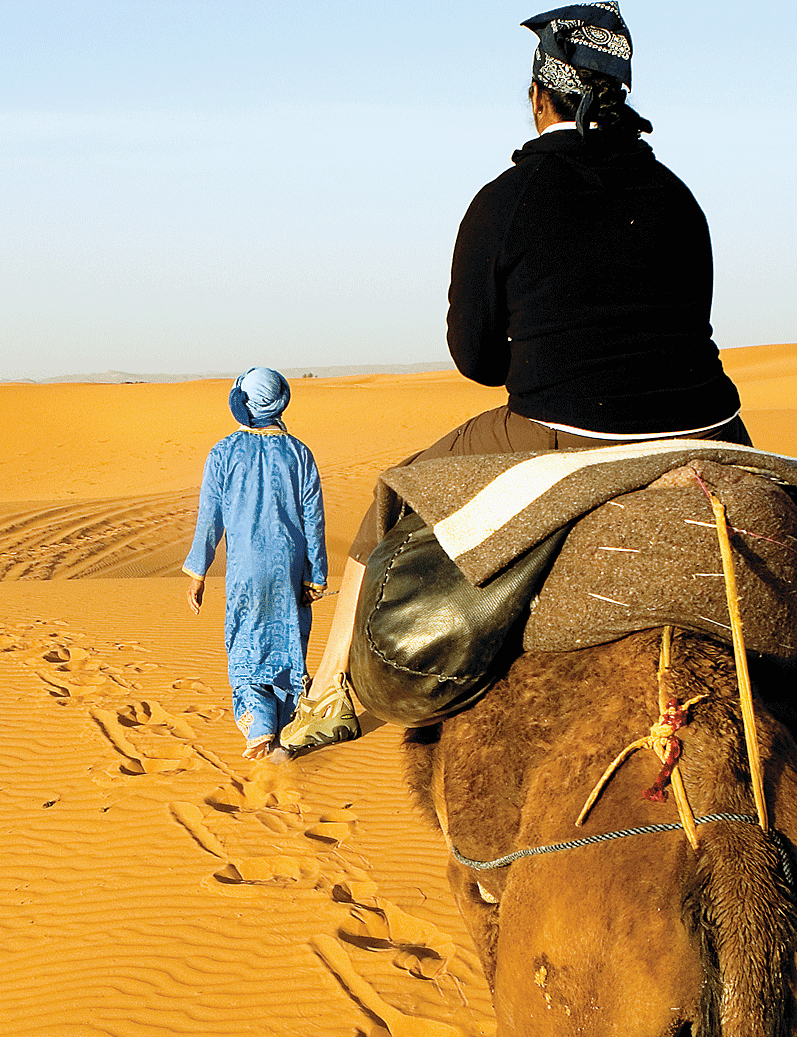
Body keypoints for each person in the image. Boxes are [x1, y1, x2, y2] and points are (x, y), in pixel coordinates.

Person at [279, 0, 751, 754]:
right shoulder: (678, 197)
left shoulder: (504, 202)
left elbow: (476, 360)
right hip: (710, 425)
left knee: (396, 488)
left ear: (540, 95)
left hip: (565, 429)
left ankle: (331, 694)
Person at [183, 367, 328, 760]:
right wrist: (316, 575)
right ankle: (282, 733)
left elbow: (209, 518)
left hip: (245, 572)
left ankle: (259, 728)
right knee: (288, 646)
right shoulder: (300, 453)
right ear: (281, 399)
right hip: (291, 568)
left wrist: (198, 572)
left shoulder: (223, 452)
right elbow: (314, 520)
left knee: (246, 645)